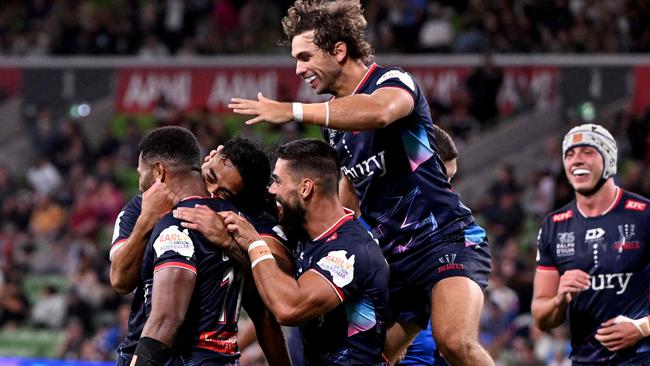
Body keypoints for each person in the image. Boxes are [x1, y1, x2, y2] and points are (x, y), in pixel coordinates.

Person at [228, 1, 493, 364]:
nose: (299, 68)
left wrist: (292, 110)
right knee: (368, 356)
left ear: (339, 51)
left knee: (453, 340)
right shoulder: (333, 125)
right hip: (393, 260)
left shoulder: (393, 82)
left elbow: (381, 111)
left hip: (443, 239)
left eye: (305, 57)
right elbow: (349, 194)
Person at [202, 139, 390, 365]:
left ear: (305, 188)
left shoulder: (351, 252)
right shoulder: (301, 226)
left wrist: (253, 243)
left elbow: (288, 308)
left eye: (277, 181)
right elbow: (242, 196)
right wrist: (212, 169)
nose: (272, 190)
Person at [110, 130, 290, 366]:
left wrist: (230, 242)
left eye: (224, 194)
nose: (213, 194)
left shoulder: (187, 224)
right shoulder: (138, 210)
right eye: (211, 178)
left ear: (158, 171)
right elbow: (121, 280)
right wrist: (146, 220)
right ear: (210, 158)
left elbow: (167, 320)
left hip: (164, 356)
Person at [532, 123, 650, 365]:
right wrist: (560, 299)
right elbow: (541, 317)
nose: (577, 160)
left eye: (587, 152)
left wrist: (642, 328)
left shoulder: (644, 215)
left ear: (608, 159)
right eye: (570, 154)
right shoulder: (554, 226)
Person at [399, 125, 456, 366]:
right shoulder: (361, 223)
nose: (448, 188)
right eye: (442, 177)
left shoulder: (450, 224)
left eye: (451, 179)